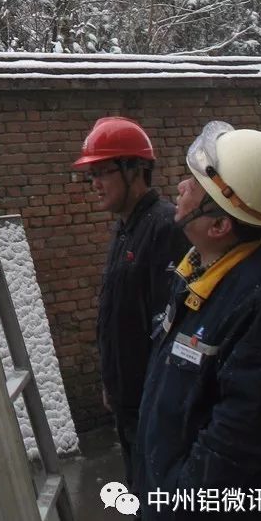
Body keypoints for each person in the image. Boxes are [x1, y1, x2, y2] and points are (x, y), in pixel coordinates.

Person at [132, 121, 261, 521]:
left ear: (219, 226)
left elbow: (240, 439)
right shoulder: (202, 265)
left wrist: (171, 509)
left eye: (194, 184)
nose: (180, 187)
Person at [73, 116, 187, 485]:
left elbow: (171, 327)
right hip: (130, 405)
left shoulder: (166, 228)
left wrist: (157, 401)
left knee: (162, 507)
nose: (94, 184)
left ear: (135, 170)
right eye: (91, 175)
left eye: (102, 172)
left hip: (154, 409)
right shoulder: (125, 229)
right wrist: (113, 384)